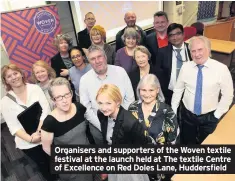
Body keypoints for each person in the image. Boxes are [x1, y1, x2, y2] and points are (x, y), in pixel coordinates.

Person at [171, 36, 234, 144]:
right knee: (187, 142)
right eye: (193, 51)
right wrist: (173, 112)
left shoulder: (221, 69)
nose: (196, 54)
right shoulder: (185, 67)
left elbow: (227, 96)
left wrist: (216, 115)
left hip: (209, 117)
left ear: (208, 50)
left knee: (206, 143)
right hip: (187, 115)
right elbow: (178, 90)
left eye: (200, 50)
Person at [1, 64, 57, 181]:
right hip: (28, 142)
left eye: (15, 73)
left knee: (55, 160)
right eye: (9, 76)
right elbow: (13, 127)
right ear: (6, 81)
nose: (13, 77)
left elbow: (45, 110)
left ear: (21, 74)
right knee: (43, 166)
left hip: (45, 132)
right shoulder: (4, 102)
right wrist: (31, 139)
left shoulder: (35, 88)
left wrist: (39, 132)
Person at [79, 45, 135, 143]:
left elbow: (130, 99)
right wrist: (103, 125)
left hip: (124, 122)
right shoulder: (84, 80)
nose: (97, 61)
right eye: (93, 59)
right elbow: (86, 108)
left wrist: (120, 121)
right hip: (98, 127)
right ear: (89, 62)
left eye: (99, 56)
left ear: (105, 57)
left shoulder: (120, 72)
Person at [129, 74, 179, 181]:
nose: (147, 94)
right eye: (144, 90)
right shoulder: (132, 108)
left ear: (157, 90)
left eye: (151, 90)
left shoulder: (167, 112)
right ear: (139, 90)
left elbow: (172, 139)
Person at [41, 77, 93, 181]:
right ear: (53, 100)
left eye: (66, 95)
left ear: (72, 94)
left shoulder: (79, 108)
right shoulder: (49, 122)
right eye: (59, 97)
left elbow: (86, 133)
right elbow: (46, 148)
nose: (64, 101)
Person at [96, 84, 150, 181]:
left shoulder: (130, 122)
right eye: (100, 103)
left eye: (108, 103)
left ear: (117, 102)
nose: (103, 107)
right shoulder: (101, 114)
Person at [157, 23, 192, 105]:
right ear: (168, 38)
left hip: (189, 91)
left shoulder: (192, 49)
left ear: (183, 34)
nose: (175, 37)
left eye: (178, 34)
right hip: (170, 93)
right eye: (171, 35)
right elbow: (158, 73)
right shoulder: (162, 52)